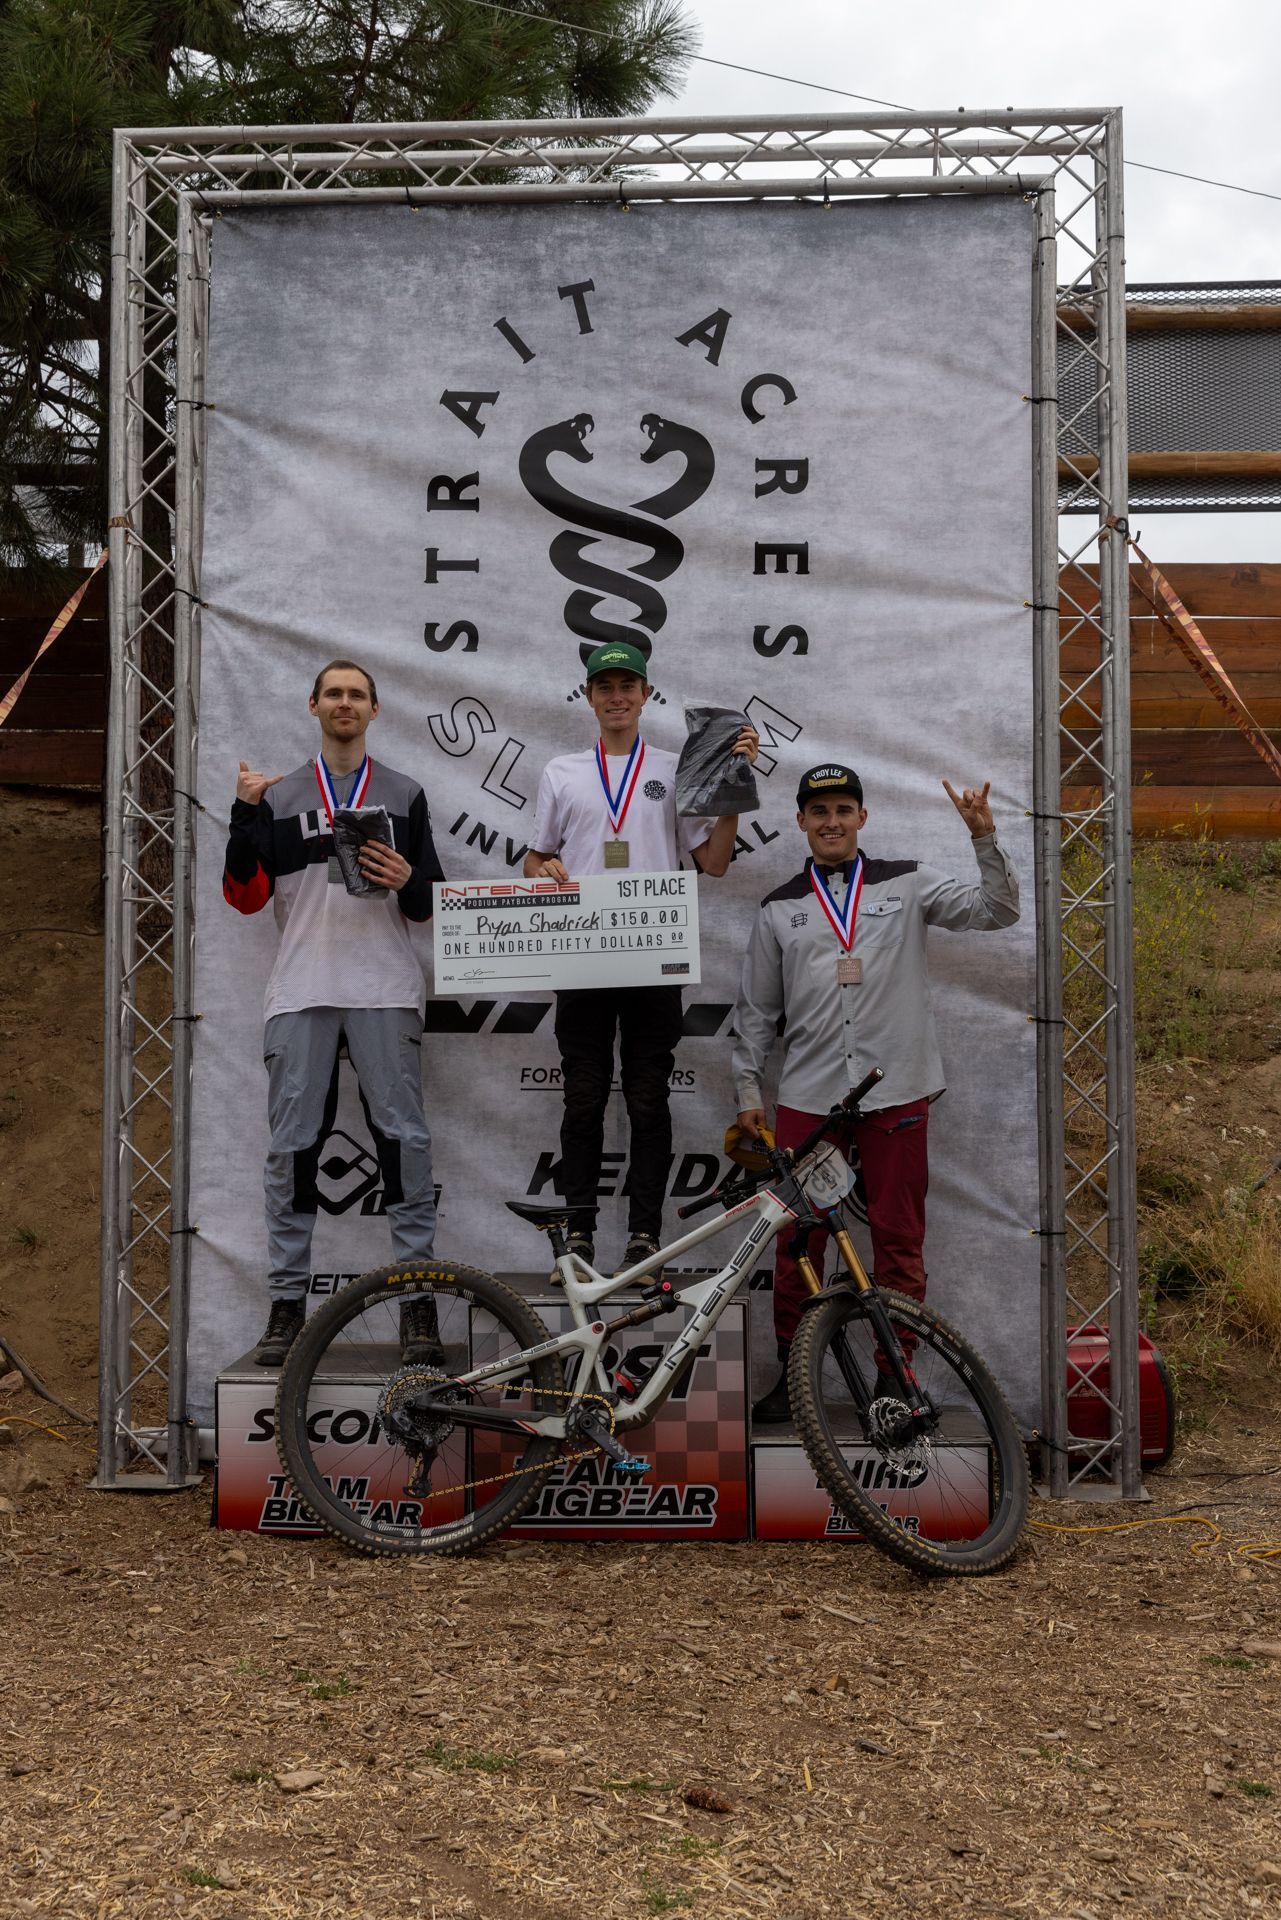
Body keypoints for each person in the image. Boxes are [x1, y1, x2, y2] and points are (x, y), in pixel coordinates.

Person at [731, 763, 1020, 1421]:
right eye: (818, 812)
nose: (830, 822)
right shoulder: (779, 907)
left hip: (896, 1090)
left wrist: (983, 838)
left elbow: (998, 912)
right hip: (809, 1095)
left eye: (842, 809)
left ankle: (896, 1376)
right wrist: (747, 1089)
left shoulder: (906, 882)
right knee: (794, 1242)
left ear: (862, 817)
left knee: (897, 1239)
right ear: (800, 822)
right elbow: (754, 1013)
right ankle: (793, 1376)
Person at [222, 660, 445, 1367]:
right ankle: (287, 1307)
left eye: (358, 694)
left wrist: (411, 878)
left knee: (403, 1146)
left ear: (375, 711)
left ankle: (417, 1308)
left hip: (384, 988)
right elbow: (245, 899)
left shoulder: (405, 794)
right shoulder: (279, 793)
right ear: (314, 706)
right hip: (301, 989)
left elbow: (428, 905)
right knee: (292, 1151)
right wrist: (242, 817)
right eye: (334, 694)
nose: (345, 703)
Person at [524, 641, 759, 1276]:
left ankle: (644, 1237)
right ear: (591, 696)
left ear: (646, 693)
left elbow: (710, 862)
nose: (618, 696)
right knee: (583, 1099)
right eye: (606, 686)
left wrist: (733, 791)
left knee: (649, 1100)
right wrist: (543, 868)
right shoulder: (561, 771)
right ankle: (576, 1238)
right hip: (582, 958)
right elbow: (536, 856)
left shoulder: (676, 767)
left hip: (655, 959)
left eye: (629, 684)